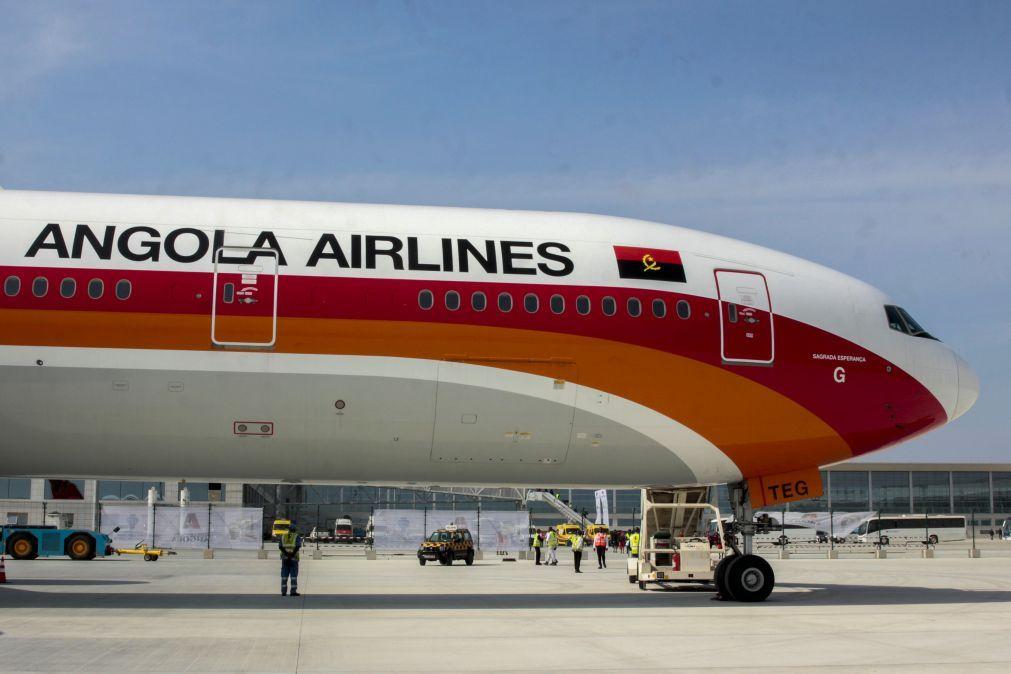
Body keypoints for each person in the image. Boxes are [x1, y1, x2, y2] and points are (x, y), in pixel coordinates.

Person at [279, 521, 302, 597]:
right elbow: (297, 546)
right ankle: (293, 592)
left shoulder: (283, 536)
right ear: (294, 529)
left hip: (285, 559)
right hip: (293, 559)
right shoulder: (296, 536)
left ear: (289, 529)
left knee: (284, 576)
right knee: (293, 576)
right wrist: (291, 555)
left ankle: (283, 592)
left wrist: (287, 555)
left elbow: (280, 547)